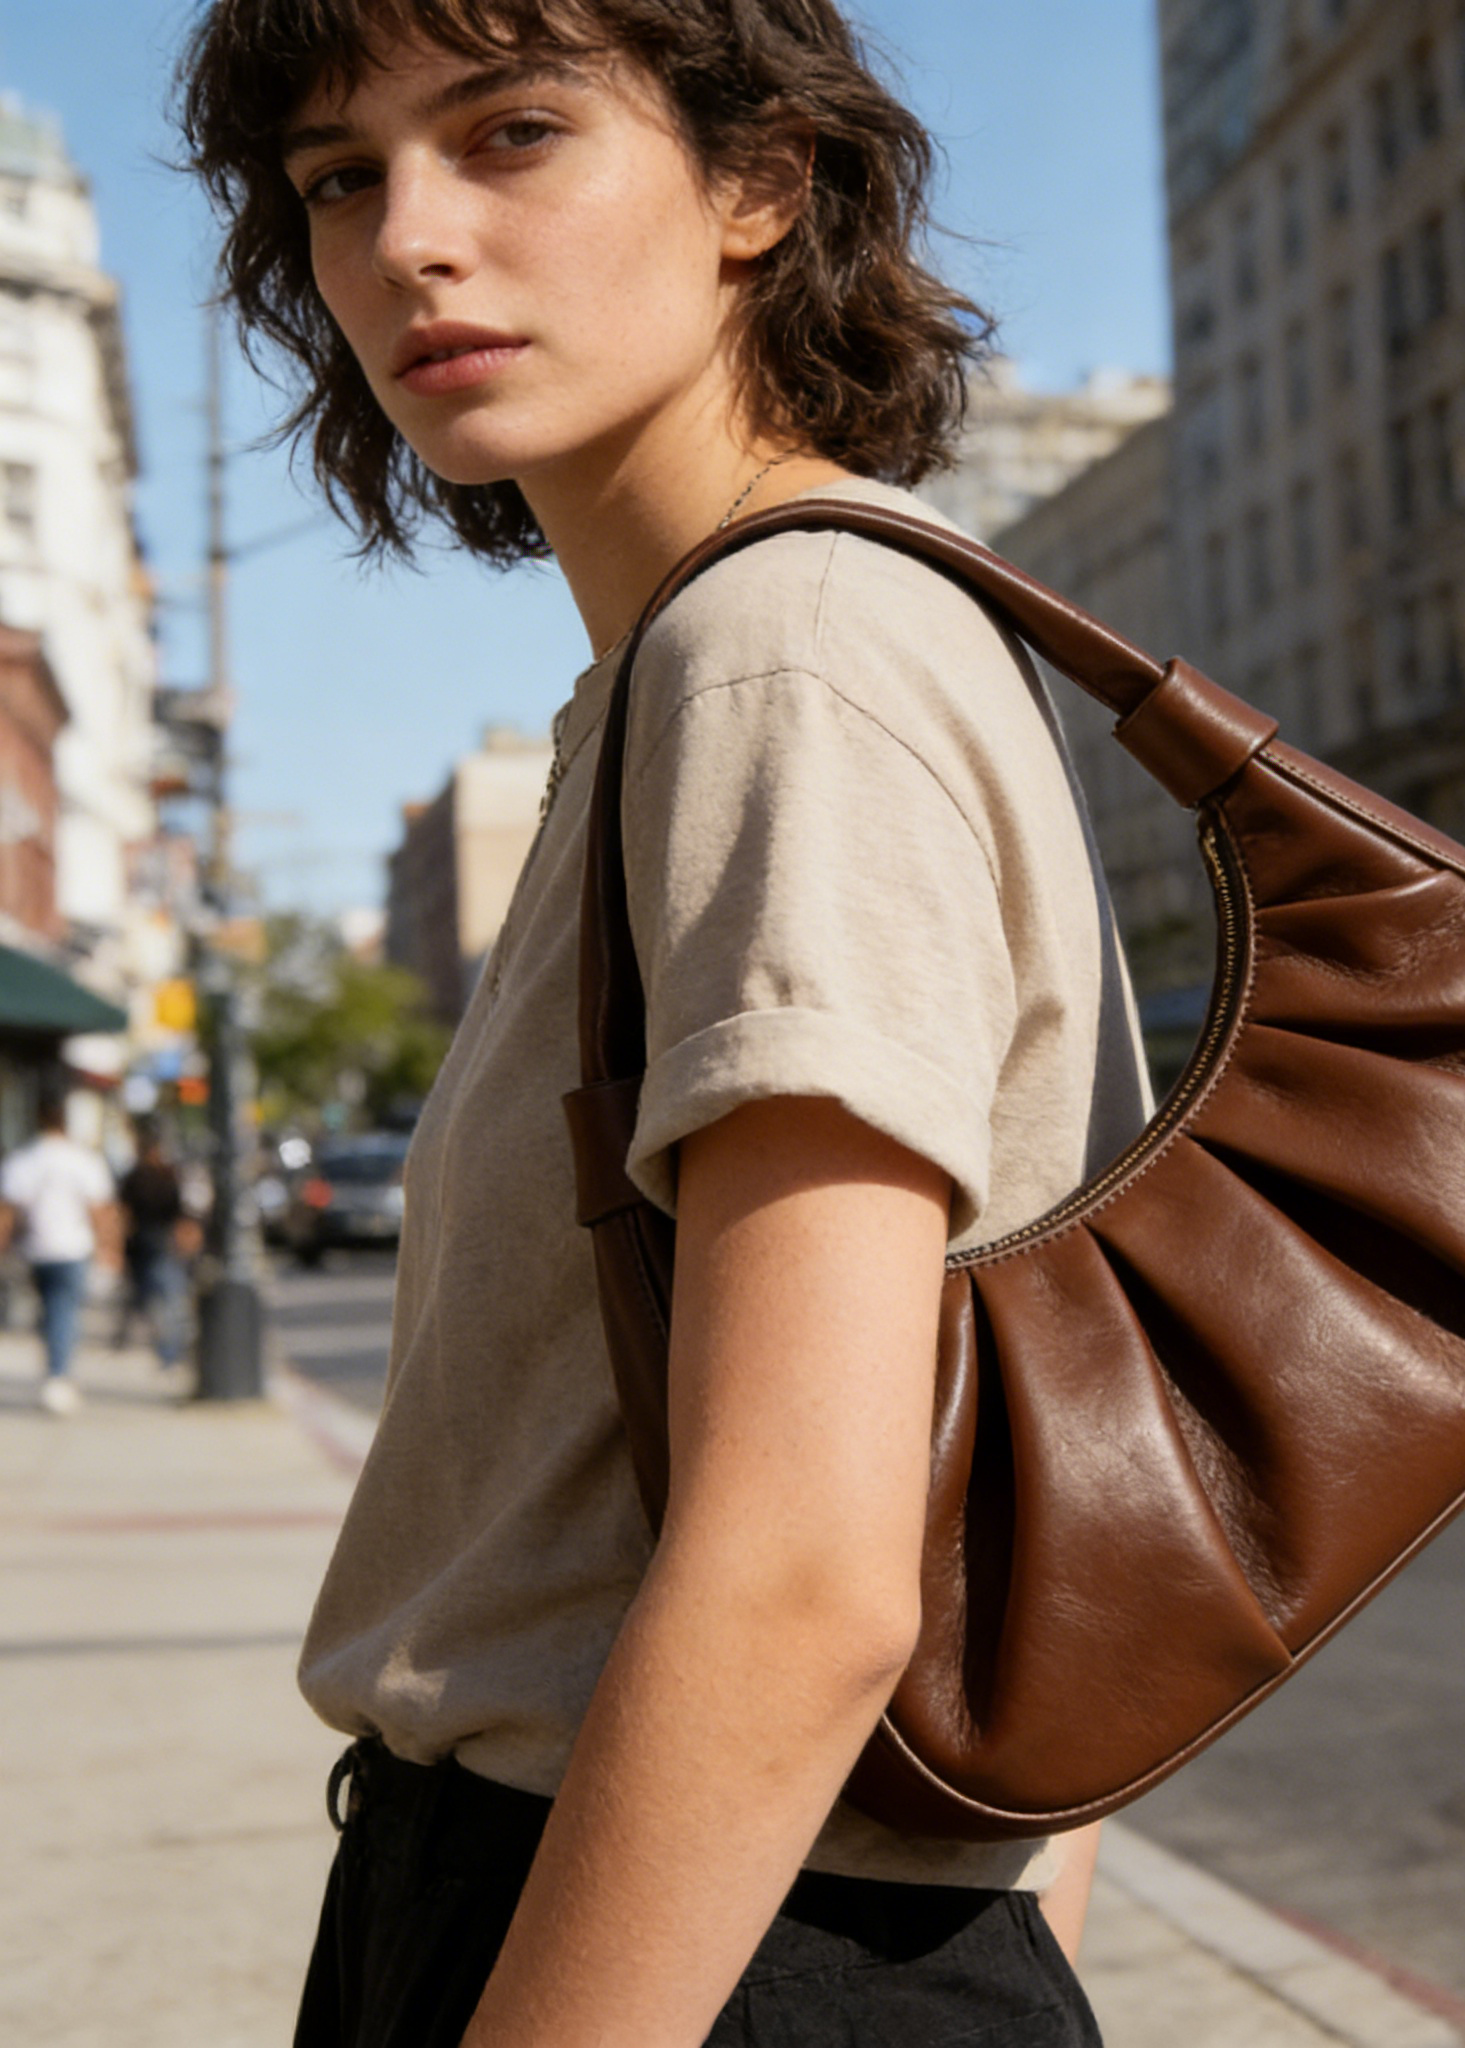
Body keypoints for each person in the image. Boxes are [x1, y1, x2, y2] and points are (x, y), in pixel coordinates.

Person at [181, 3, 1147, 2042]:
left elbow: (805, 1574)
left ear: (754, 184)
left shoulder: (780, 651)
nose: (408, 241)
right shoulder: (718, 660)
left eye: (511, 131)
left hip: (672, 1934)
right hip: (723, 1912)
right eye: (340, 178)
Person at [0, 1088, 118, 1415]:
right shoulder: (82, 1160)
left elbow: (7, 1213)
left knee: (51, 1311)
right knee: (63, 1312)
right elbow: (101, 1211)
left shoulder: (25, 1159)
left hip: (38, 1249)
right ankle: (58, 1376)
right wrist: (109, 1249)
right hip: (72, 1248)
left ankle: (56, 1373)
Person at [116, 1122, 197, 1369]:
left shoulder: (138, 1176)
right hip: (157, 1243)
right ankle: (167, 1351)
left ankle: (161, 1349)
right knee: (166, 1298)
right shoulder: (164, 1175)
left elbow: (124, 1214)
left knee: (150, 1298)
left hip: (145, 1243)